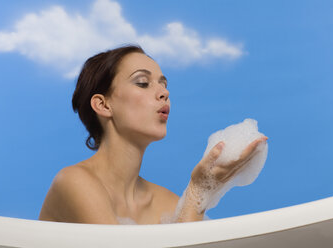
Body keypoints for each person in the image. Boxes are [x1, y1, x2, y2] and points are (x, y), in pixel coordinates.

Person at [38, 45, 267, 224]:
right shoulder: (73, 183)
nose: (164, 92)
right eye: (143, 83)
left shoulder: (165, 203)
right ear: (103, 105)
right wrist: (196, 193)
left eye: (163, 84)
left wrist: (200, 194)